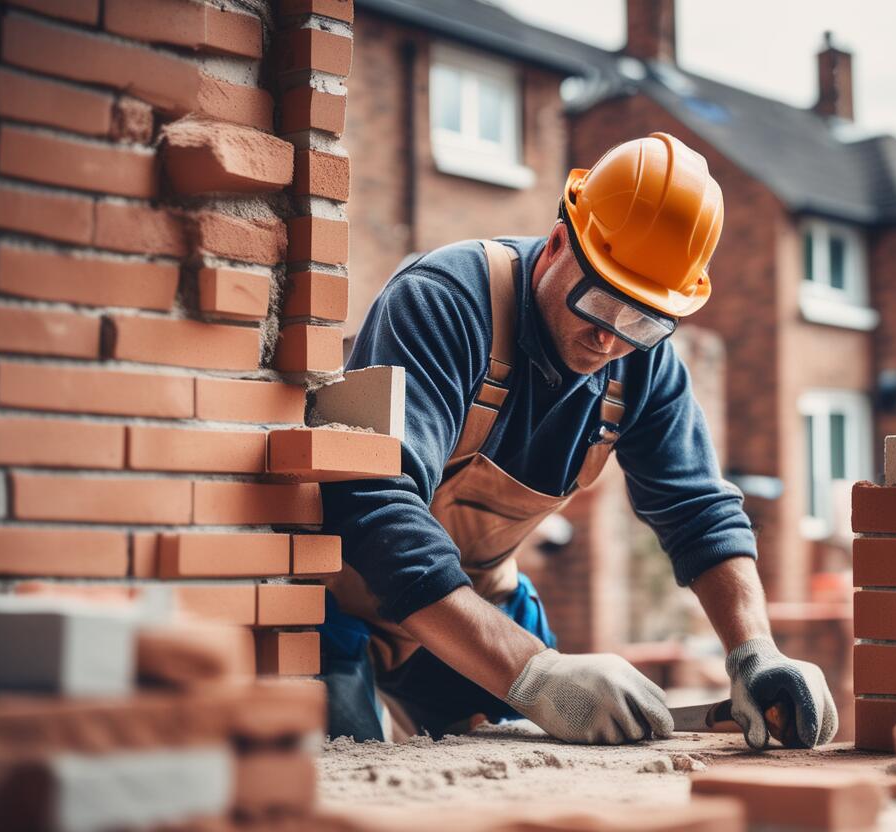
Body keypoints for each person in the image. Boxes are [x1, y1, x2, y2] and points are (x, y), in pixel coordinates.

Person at [318, 132, 838, 749]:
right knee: (337, 773)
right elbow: (374, 506)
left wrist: (754, 652)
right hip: (340, 602)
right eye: (600, 301)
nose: (610, 341)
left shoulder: (642, 361)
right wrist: (533, 674)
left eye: (642, 319)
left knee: (526, 775)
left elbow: (700, 514)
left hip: (474, 605)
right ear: (562, 240)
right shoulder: (446, 303)